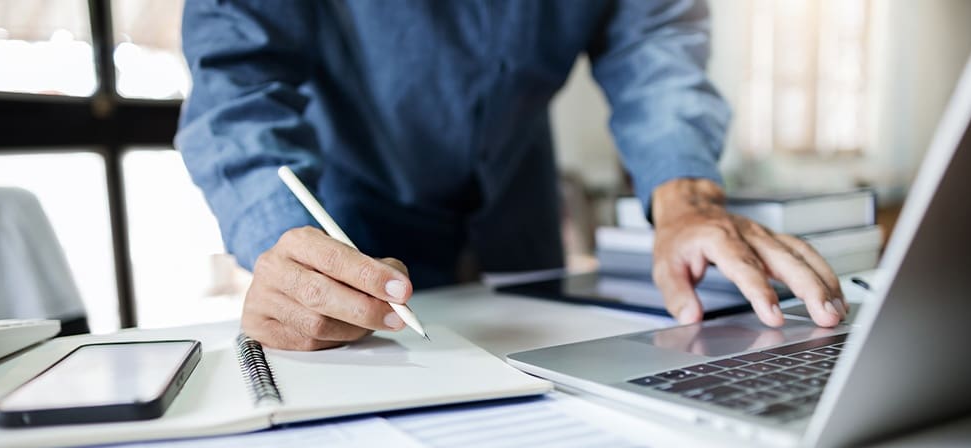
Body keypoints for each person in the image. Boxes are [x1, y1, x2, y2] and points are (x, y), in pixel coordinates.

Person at [177, 0, 847, 351]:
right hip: (352, 223)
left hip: (518, 215)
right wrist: (286, 239)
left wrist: (685, 198)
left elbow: (655, 45)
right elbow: (237, 89)